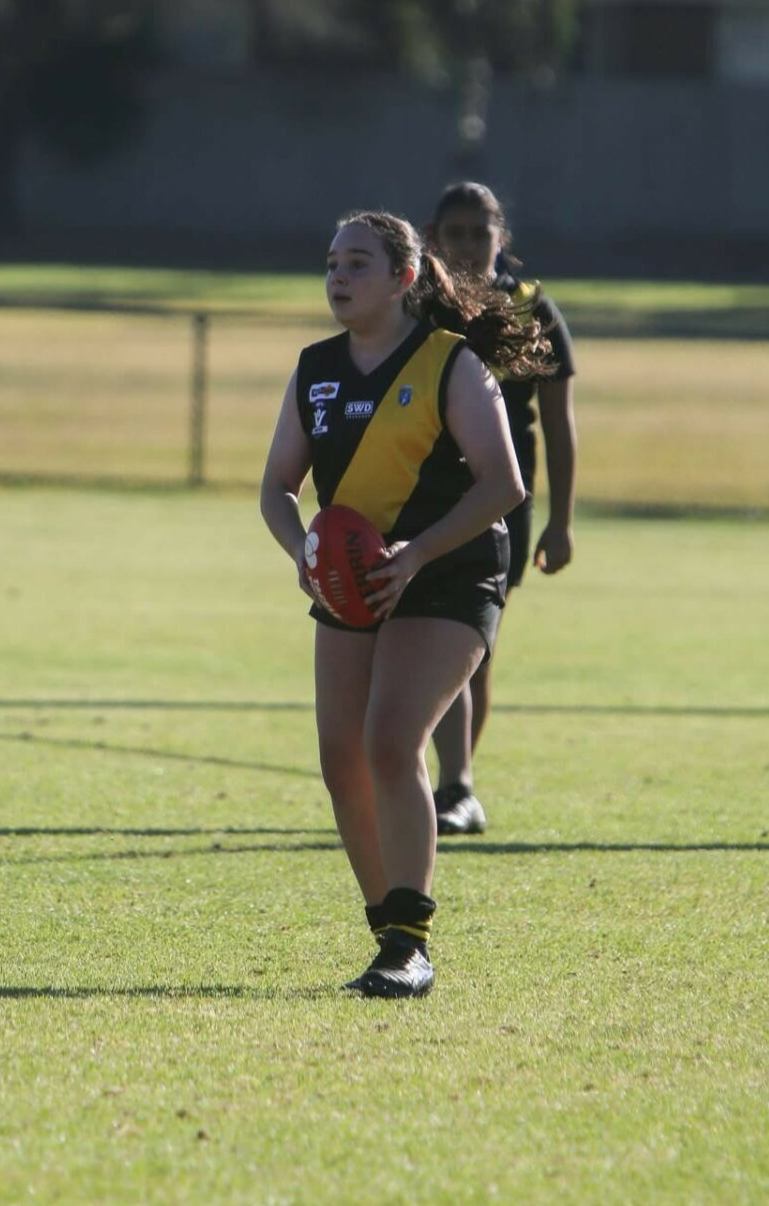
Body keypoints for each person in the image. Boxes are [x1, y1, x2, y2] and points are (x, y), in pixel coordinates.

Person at [260, 210, 552, 999]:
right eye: (331, 262)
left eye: (357, 262)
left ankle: (409, 945)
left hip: (450, 571)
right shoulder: (315, 368)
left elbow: (503, 485)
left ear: (404, 277)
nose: (338, 275)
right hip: (352, 577)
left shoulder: (450, 362)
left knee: (389, 741)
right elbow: (277, 487)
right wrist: (303, 552)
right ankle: (386, 927)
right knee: (340, 758)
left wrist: (416, 552)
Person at [425, 182, 577, 836]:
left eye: (478, 233)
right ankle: (426, 782)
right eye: (453, 234)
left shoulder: (531, 309)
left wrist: (561, 522)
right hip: (423, 494)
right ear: (432, 240)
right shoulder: (419, 304)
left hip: (500, 500)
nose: (466, 246)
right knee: (421, 640)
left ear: (500, 238)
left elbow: (558, 424)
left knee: (470, 645)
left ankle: (455, 787)